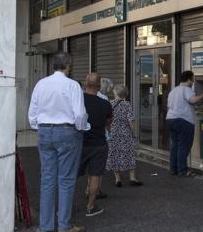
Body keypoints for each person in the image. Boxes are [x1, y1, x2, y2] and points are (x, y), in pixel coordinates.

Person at [28, 52, 88, 232]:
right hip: (67, 132)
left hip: (45, 131)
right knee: (66, 179)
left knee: (47, 179)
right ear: (68, 66)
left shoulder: (40, 84)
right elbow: (79, 114)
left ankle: (45, 226)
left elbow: (32, 114)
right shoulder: (72, 85)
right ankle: (64, 225)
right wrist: (81, 127)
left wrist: (40, 126)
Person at [78, 73, 113, 217]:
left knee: (69, 175)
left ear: (85, 84)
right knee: (95, 176)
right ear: (99, 86)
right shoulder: (105, 104)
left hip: (79, 143)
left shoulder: (77, 101)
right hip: (99, 143)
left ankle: (63, 207)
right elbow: (108, 124)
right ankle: (91, 206)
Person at [166, 71, 203, 176]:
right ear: (189, 79)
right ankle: (182, 170)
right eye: (192, 79)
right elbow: (193, 100)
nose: (193, 81)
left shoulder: (173, 91)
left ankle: (173, 169)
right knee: (183, 146)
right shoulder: (186, 89)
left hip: (170, 119)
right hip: (183, 120)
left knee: (175, 145)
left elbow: (169, 106)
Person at [106, 84, 143, 187]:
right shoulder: (127, 105)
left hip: (113, 133)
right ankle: (132, 177)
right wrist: (134, 133)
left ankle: (118, 179)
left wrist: (108, 130)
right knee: (129, 154)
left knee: (114, 154)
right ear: (125, 94)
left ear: (115, 93)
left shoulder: (110, 104)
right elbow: (131, 121)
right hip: (125, 134)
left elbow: (107, 120)